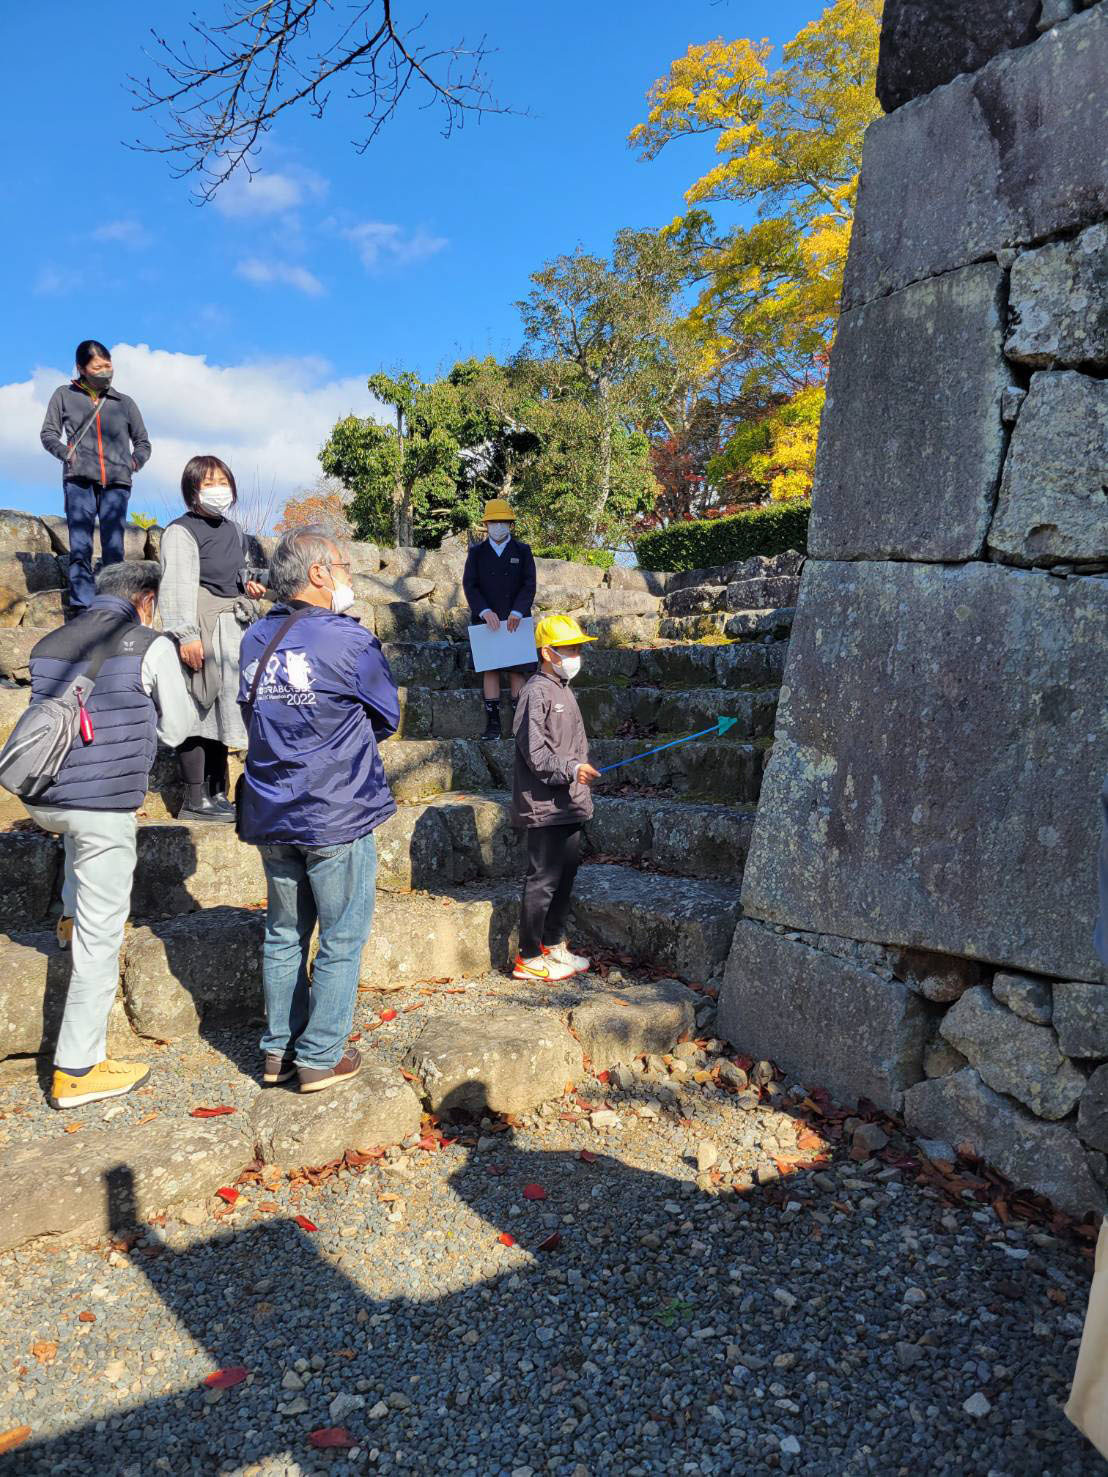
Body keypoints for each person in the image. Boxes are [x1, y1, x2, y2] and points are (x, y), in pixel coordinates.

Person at [23, 561, 195, 1109]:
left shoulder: (49, 640)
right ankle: (77, 1067)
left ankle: (68, 918)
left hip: (42, 794)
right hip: (101, 807)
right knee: (104, 935)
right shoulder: (151, 643)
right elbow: (178, 727)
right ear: (146, 599)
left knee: (78, 844)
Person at [238, 525, 400, 1093]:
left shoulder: (254, 639)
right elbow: (385, 716)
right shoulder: (350, 641)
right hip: (335, 809)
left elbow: (249, 715)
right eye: (345, 567)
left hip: (273, 806)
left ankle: (277, 1050)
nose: (349, 577)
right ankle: (321, 1055)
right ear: (317, 574)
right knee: (341, 935)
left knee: (284, 933)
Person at [158, 455, 267, 823]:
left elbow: (236, 578)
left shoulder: (236, 532)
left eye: (223, 481)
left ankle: (218, 793)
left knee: (223, 709)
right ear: (192, 490)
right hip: (201, 627)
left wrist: (250, 588)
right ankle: (194, 799)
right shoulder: (180, 531)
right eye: (208, 483)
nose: (218, 489)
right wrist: (185, 635)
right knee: (197, 708)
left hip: (232, 629)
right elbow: (175, 587)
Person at [510, 613, 602, 983]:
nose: (576, 655)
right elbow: (535, 753)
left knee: (565, 877)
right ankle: (529, 956)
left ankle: (553, 943)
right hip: (544, 805)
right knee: (544, 879)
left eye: (579, 648)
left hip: (570, 803)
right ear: (547, 652)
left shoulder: (563, 687)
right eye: (570, 649)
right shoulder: (535, 691)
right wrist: (570, 769)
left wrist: (576, 775)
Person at [39, 341, 152, 614]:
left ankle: (114, 604)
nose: (105, 371)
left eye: (108, 365)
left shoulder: (124, 403)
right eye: (97, 366)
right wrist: (67, 455)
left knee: (114, 547)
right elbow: (48, 433)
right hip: (79, 480)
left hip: (117, 484)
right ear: (81, 368)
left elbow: (143, 443)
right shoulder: (63, 395)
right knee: (80, 546)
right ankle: (82, 606)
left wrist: (132, 463)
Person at [462, 498, 537, 740]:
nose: (498, 525)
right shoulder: (476, 553)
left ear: (510, 524)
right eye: (494, 521)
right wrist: (483, 611)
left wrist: (517, 611)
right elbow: (470, 585)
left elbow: (529, 584)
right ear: (486, 524)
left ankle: (521, 725)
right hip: (487, 621)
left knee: (517, 671)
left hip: (517, 619)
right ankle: (493, 724)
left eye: (503, 521)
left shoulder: (523, 551)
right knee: (490, 669)